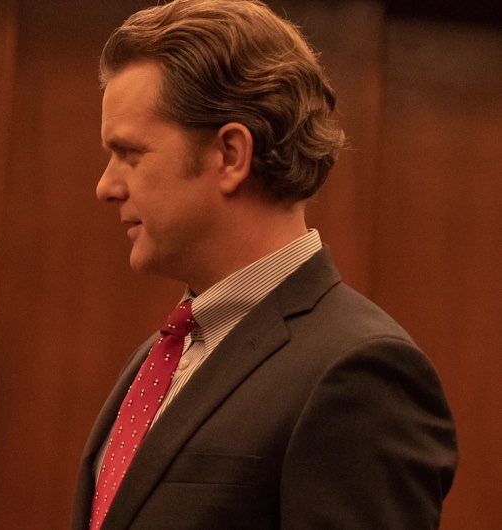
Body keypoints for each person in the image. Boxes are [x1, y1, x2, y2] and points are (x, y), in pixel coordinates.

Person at [71, 1, 457, 529]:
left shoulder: (360, 374)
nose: (106, 186)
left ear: (231, 155)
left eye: (131, 155)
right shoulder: (164, 356)